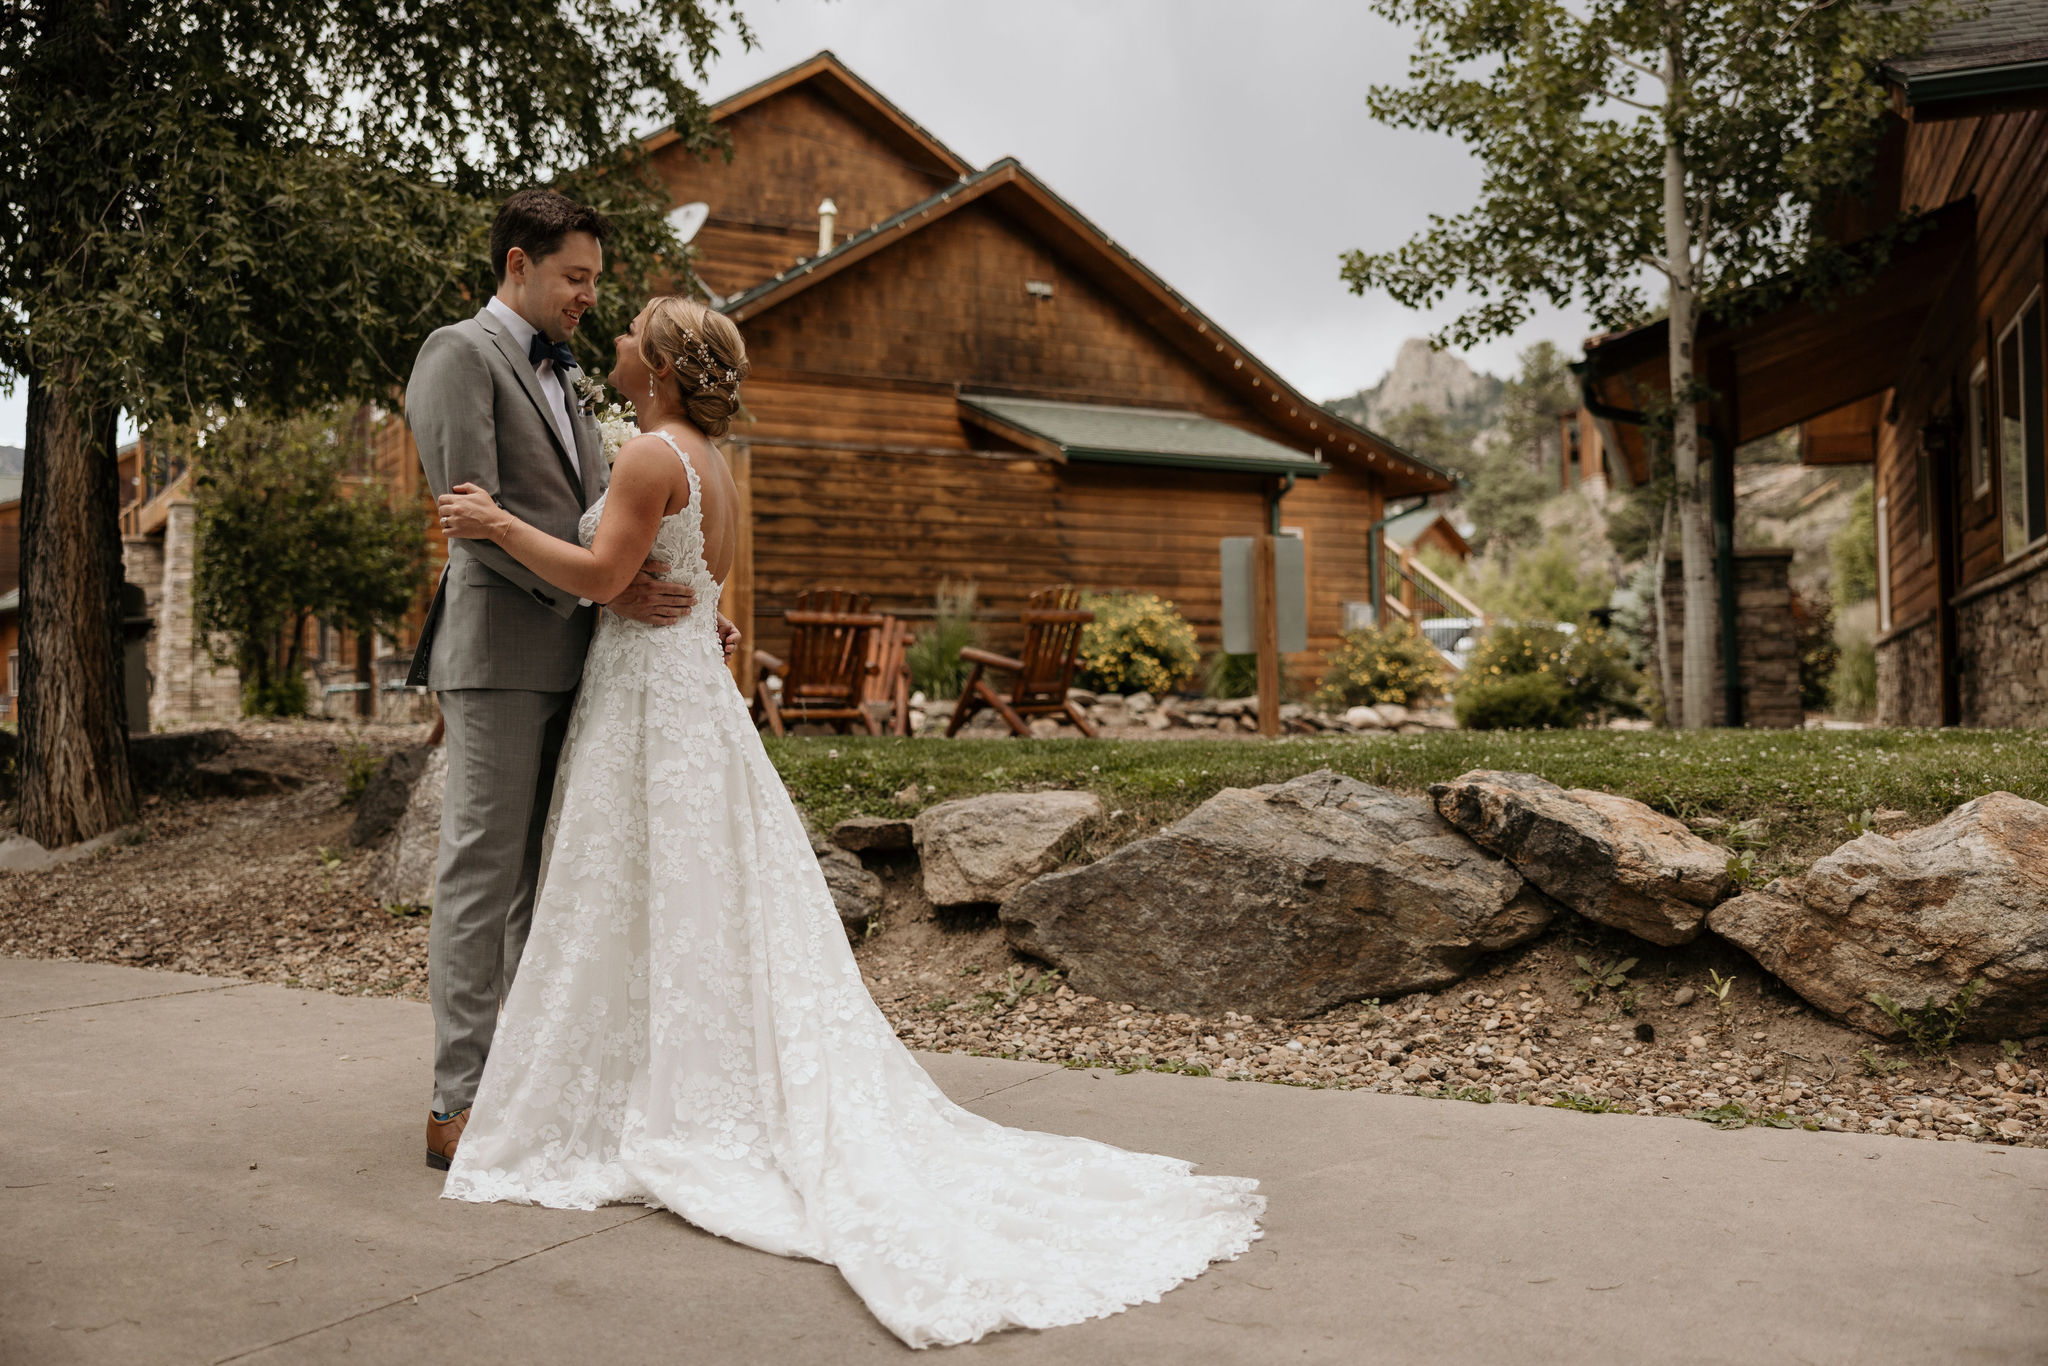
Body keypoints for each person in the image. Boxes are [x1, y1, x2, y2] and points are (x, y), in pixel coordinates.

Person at [432, 293, 1265, 1349]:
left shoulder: (649, 456)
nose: (620, 339)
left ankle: (662, 1102)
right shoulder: (709, 462)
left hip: (652, 701)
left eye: (636, 329)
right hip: (683, 694)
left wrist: (498, 523)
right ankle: (669, 1078)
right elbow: (690, 581)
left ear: (667, 366)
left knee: (652, 890)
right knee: (691, 895)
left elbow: (606, 576)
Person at [404, 189, 739, 1172]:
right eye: (575, 278)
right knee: (481, 872)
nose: (590, 296)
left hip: (587, 665)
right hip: (502, 656)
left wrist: (659, 585)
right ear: (517, 266)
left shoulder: (573, 379)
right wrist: (610, 590)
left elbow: (604, 516)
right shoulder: (457, 354)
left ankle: (527, 1079)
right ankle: (454, 1102)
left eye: (596, 281)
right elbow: (471, 516)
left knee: (548, 887)